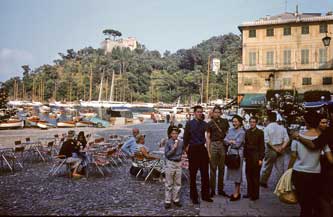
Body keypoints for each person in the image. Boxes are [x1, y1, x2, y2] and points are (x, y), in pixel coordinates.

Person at [288, 111, 331, 217]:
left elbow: (293, 157)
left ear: (306, 123)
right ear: (317, 123)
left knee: (303, 203)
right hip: (315, 174)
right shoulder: (322, 139)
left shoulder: (297, 137)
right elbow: (330, 159)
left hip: (299, 173)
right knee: (312, 201)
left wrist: (289, 171)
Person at [183, 105, 213, 204]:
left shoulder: (205, 124)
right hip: (193, 149)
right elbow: (185, 138)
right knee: (193, 174)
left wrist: (209, 153)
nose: (200, 113)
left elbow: (208, 139)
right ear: (194, 113)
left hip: (202, 149)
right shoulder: (189, 124)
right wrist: (187, 150)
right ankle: (194, 196)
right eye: (198, 112)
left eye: (201, 112)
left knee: (205, 174)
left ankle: (205, 195)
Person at [260, 112, 289, 188]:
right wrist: (282, 147)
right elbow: (287, 139)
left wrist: (275, 148)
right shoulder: (282, 128)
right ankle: (280, 184)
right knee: (280, 168)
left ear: (268, 119)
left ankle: (263, 181)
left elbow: (267, 140)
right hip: (281, 148)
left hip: (271, 149)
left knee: (267, 166)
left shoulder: (267, 128)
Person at [206, 105, 229, 198]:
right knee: (212, 169)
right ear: (213, 113)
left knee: (222, 168)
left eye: (218, 112)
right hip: (213, 144)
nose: (217, 114)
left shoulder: (225, 122)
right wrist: (208, 150)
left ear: (221, 113)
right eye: (215, 112)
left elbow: (228, 133)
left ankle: (220, 189)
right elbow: (208, 137)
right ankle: (212, 190)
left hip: (222, 144)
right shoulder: (210, 123)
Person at [224, 115, 246, 201]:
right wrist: (232, 141)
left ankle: (237, 193)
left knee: (237, 173)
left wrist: (230, 141)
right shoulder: (230, 130)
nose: (234, 123)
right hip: (230, 154)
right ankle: (236, 191)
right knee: (232, 172)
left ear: (240, 122)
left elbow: (237, 144)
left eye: (236, 121)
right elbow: (225, 140)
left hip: (238, 155)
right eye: (233, 121)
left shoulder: (242, 132)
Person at [244, 116, 265, 201]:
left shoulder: (260, 132)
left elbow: (262, 146)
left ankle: (255, 195)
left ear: (256, 123)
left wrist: (261, 158)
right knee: (248, 175)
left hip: (256, 156)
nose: (252, 123)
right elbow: (245, 145)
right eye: (251, 122)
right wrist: (245, 156)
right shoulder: (247, 132)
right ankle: (249, 193)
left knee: (255, 176)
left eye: (253, 122)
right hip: (248, 156)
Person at [164, 127, 184, 209]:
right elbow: (167, 154)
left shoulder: (181, 142)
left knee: (178, 183)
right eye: (173, 133)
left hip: (178, 163)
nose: (175, 135)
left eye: (176, 133)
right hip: (170, 163)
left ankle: (176, 199)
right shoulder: (168, 142)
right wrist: (173, 148)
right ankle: (167, 201)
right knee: (169, 183)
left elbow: (183, 150)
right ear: (170, 134)